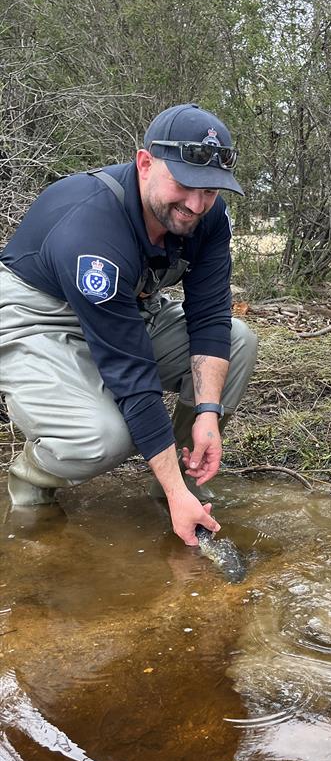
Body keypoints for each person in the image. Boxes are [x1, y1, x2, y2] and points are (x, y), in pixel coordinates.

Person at [0, 103, 258, 545]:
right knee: (106, 436)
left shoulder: (207, 217)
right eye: (185, 184)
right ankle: (33, 475)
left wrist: (208, 414)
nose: (196, 204)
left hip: (127, 310)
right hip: (37, 317)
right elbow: (131, 374)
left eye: (211, 190)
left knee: (238, 340)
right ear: (144, 163)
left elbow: (211, 315)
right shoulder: (92, 230)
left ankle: (174, 480)